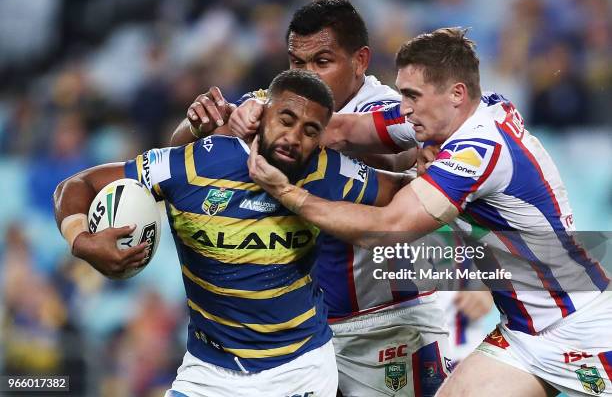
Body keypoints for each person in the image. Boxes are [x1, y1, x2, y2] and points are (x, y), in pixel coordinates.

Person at [247, 28, 612, 397]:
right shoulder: (459, 113)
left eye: (412, 96)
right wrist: (253, 112)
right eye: (403, 92)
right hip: (522, 334)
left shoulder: (479, 150)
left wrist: (286, 192)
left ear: (456, 93)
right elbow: (340, 130)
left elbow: (386, 227)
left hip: (583, 323)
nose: (404, 107)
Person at [53, 69, 408, 397]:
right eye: (286, 119)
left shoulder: (326, 171)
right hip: (208, 373)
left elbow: (407, 193)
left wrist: (437, 161)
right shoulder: (193, 165)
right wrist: (82, 242)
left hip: (301, 369)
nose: (294, 137)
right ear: (261, 114)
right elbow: (79, 184)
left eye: (310, 130)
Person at [171, 0, 452, 396]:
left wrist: (423, 156)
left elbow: (407, 151)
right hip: (297, 340)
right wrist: (197, 124)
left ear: (360, 61)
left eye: (322, 62)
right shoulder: (278, 102)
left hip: (384, 325)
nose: (309, 76)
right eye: (297, 64)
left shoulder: (386, 106)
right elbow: (178, 154)